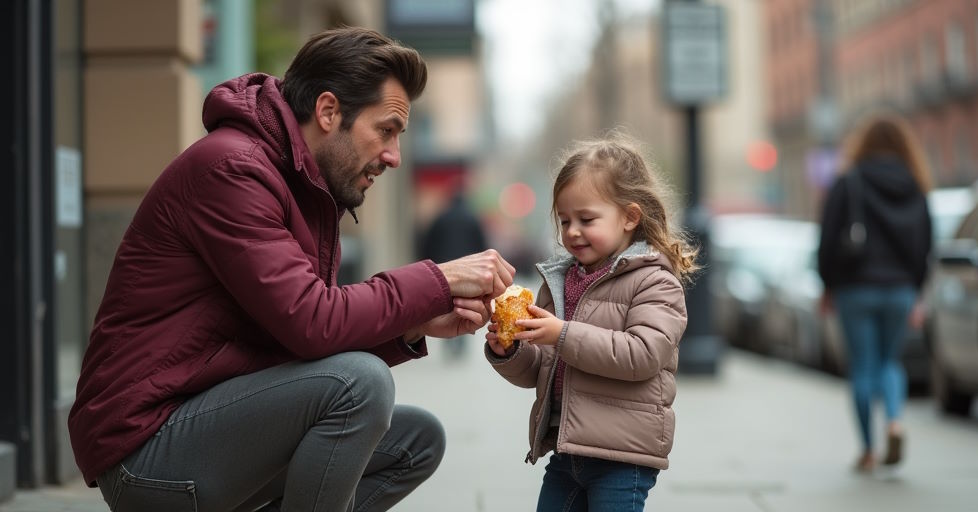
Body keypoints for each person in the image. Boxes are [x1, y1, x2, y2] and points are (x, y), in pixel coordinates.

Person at [69, 26, 516, 512]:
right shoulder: (232, 170)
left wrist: (412, 324)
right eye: (385, 130)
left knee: (417, 441)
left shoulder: (303, 187)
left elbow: (297, 336)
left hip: (205, 422)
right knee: (360, 384)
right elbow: (312, 324)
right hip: (147, 449)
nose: (393, 155)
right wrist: (439, 280)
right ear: (327, 112)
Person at [484, 135, 698, 511]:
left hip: (623, 456)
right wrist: (512, 351)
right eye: (565, 220)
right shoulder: (561, 280)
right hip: (566, 451)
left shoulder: (655, 281)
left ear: (630, 217)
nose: (572, 232)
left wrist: (561, 334)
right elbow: (542, 368)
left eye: (587, 219)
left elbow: (642, 355)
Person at [817, 113, 933, 473]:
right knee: (889, 363)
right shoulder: (915, 186)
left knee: (863, 367)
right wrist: (917, 290)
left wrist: (827, 284)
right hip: (900, 289)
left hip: (855, 290)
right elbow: (925, 244)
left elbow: (827, 239)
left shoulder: (848, 182)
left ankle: (868, 450)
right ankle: (895, 420)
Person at [420, 191, 489, 357]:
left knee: (447, 305)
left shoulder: (441, 218)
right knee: (465, 304)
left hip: (445, 269)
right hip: (469, 270)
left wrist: (428, 265)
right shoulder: (472, 219)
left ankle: (449, 338)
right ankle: (461, 337)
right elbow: (482, 244)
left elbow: (429, 242)